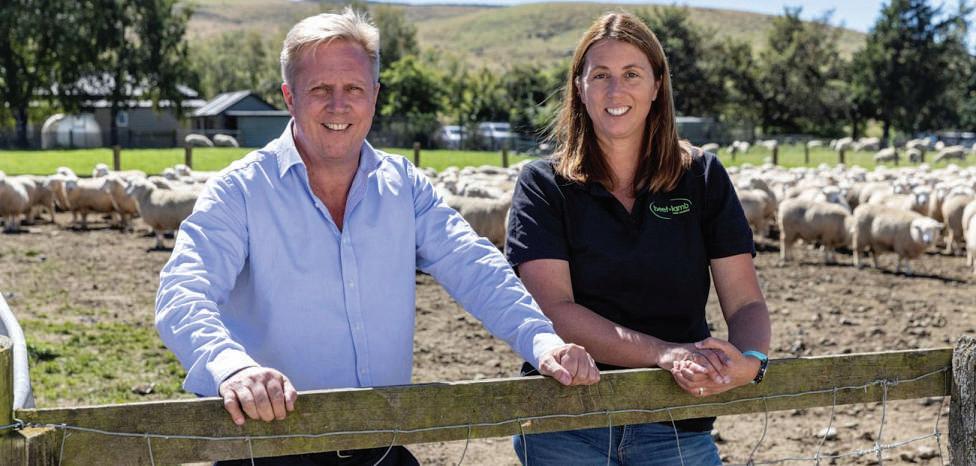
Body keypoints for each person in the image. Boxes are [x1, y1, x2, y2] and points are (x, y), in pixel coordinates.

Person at [155, 8, 599, 466]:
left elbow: (475, 267)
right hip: (268, 448)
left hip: (381, 449)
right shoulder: (240, 191)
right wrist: (234, 367)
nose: (338, 106)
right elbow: (182, 293)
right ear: (289, 97)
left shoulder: (404, 187)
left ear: (375, 96)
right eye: (320, 90)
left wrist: (542, 341)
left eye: (354, 89)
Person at [505, 12, 771, 466]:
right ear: (579, 87)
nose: (616, 91)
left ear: (656, 86)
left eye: (632, 74)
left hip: (675, 422)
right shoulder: (543, 185)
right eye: (600, 75)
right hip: (566, 422)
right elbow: (554, 311)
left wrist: (750, 361)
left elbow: (745, 302)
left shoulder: (702, 177)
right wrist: (664, 353)